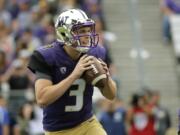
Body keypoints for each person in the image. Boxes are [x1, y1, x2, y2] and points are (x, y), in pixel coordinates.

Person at [28, 9, 117, 135]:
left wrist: (106, 78)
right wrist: (74, 75)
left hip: (87, 124)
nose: (87, 35)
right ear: (64, 34)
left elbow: (111, 95)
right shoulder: (48, 56)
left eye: (88, 30)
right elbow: (42, 99)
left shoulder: (95, 52)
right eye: (81, 31)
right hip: (58, 130)